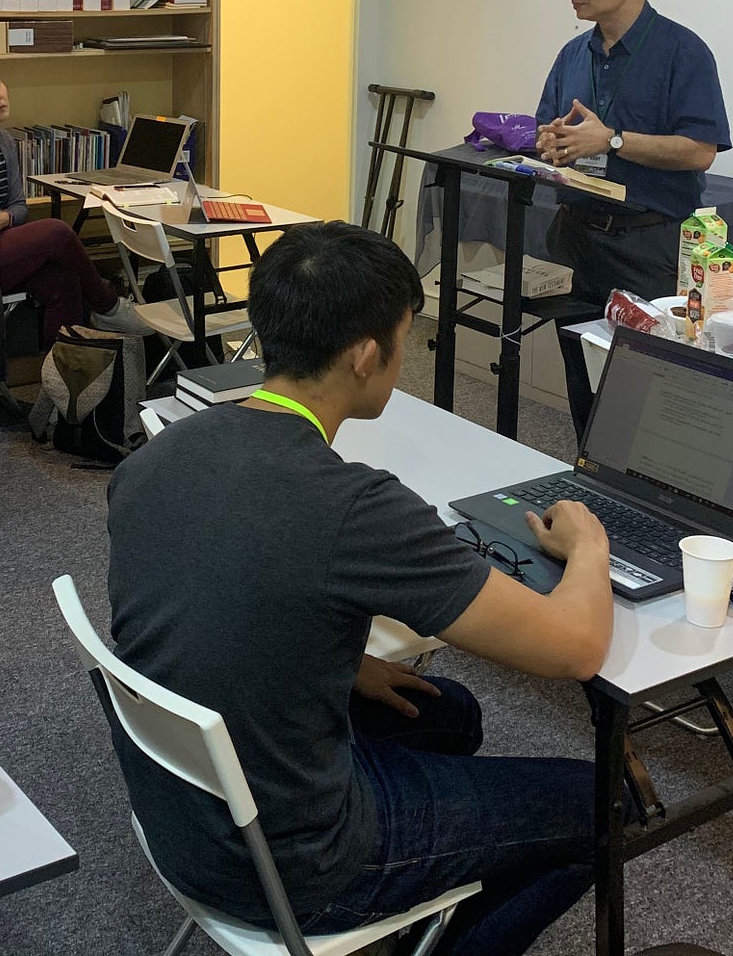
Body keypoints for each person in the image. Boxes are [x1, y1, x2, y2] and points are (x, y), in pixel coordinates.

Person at [107, 222, 613, 956]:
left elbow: (208, 596)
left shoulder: (161, 451)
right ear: (368, 355)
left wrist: (343, 666)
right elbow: (576, 649)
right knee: (604, 805)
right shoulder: (354, 508)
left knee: (450, 713)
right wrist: (590, 546)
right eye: (405, 342)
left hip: (184, 816)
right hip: (298, 867)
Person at [537, 0, 730, 437]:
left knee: (645, 388)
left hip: (647, 245)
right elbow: (546, 129)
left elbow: (701, 150)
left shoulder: (682, 52)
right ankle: (587, 470)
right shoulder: (573, 54)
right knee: (582, 373)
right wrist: (552, 143)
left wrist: (613, 141)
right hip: (578, 238)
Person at [0, 56, 149, 354]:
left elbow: (19, 207)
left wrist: (5, 219)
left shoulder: (3, 139)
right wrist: (6, 219)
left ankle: (61, 375)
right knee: (56, 231)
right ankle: (108, 305)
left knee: (64, 281)